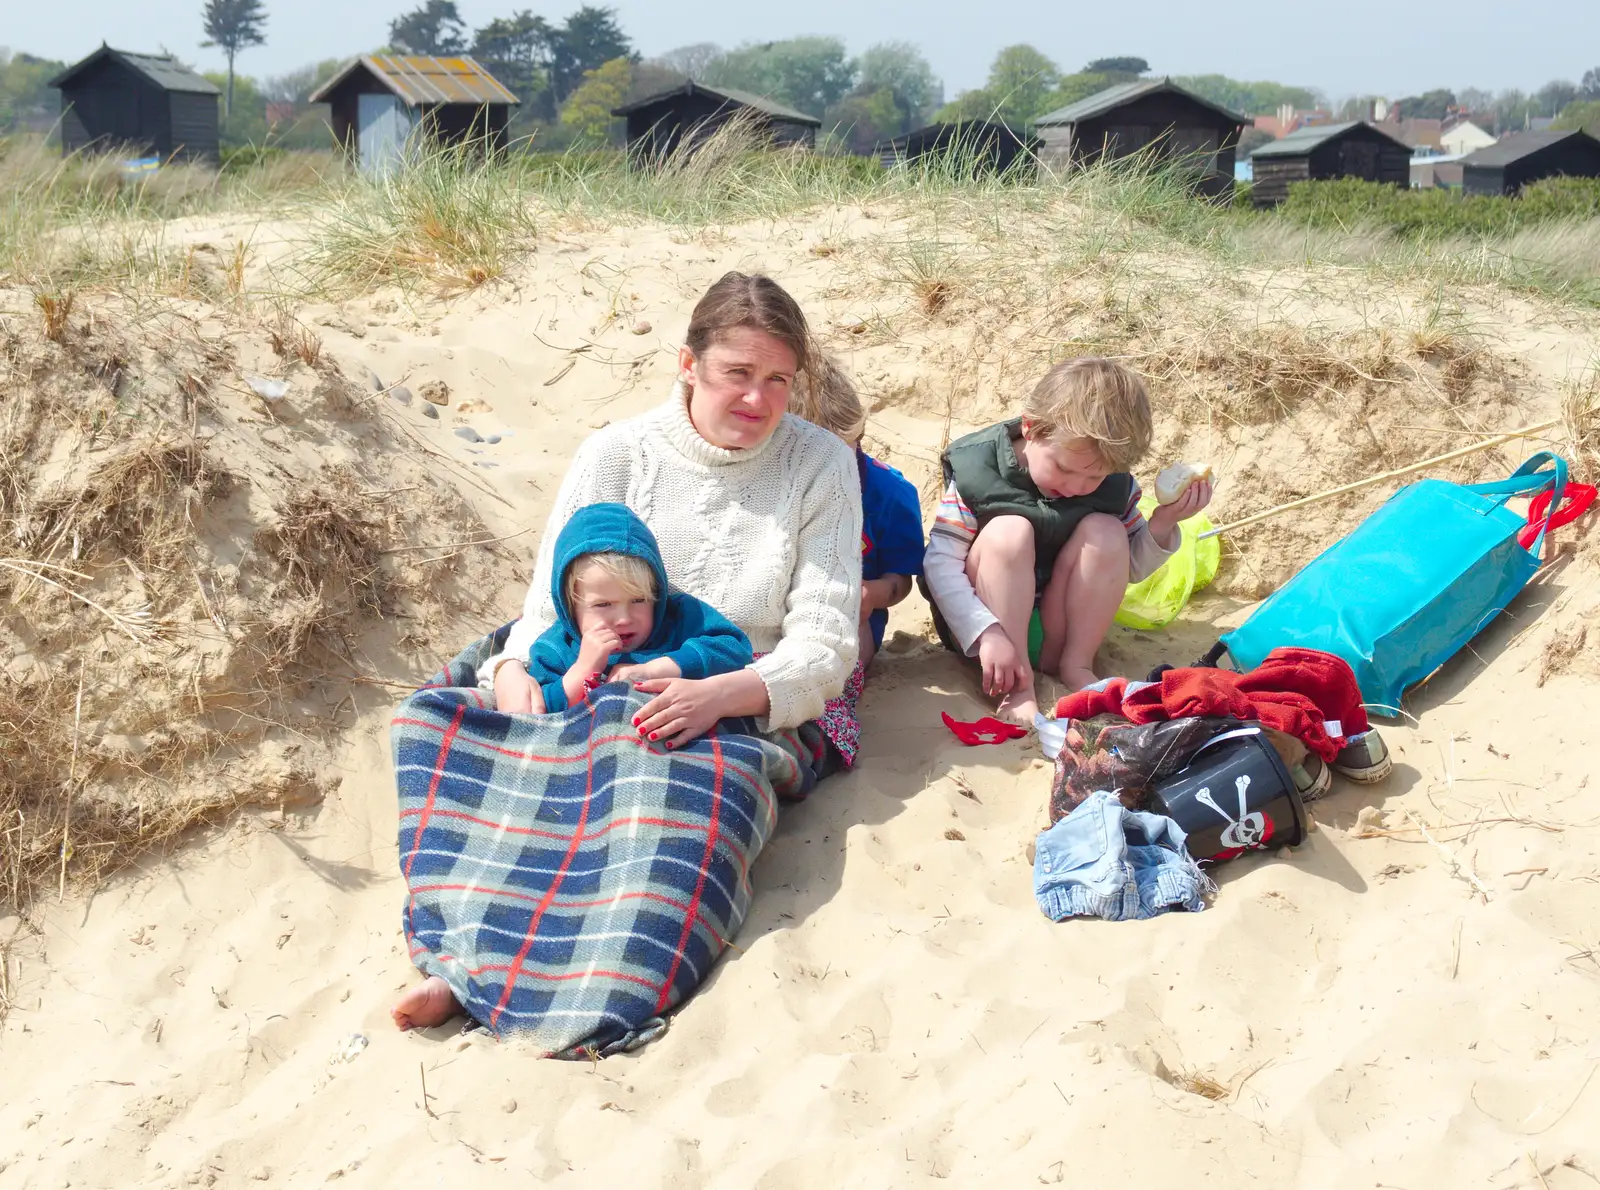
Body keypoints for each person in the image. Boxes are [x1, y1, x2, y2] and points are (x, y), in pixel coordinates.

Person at [393, 272, 862, 1032]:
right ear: (688, 364)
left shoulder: (819, 464)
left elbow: (826, 639)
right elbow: (548, 605)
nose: (759, 400)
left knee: (656, 797)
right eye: (737, 374)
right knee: (441, 738)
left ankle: (591, 997)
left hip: (737, 687)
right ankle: (459, 966)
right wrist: (515, 673)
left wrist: (722, 694)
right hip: (585, 664)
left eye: (779, 380)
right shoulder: (616, 453)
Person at [921, 356, 1212, 724]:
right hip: (988, 634)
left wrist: (1165, 522)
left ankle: (1077, 666)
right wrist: (986, 633)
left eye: (1093, 480)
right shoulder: (978, 471)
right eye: (1063, 468)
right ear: (1030, 428)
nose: (1077, 487)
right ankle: (1017, 686)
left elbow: (1130, 568)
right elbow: (939, 564)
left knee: (1107, 532)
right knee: (1009, 532)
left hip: (1058, 629)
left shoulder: (1114, 484)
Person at [523, 502, 754, 715]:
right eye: (603, 604)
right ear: (570, 606)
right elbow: (539, 708)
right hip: (590, 746)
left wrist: (658, 669)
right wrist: (583, 668)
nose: (624, 618)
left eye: (639, 600)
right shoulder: (557, 646)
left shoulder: (677, 619)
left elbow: (735, 648)